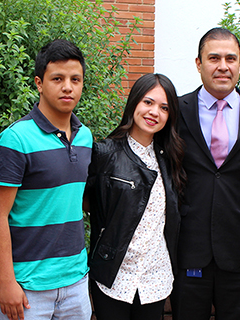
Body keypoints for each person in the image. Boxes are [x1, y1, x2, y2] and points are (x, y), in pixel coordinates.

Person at [172, 27, 240, 320]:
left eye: (230, 58)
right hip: (189, 247)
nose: (223, 66)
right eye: (214, 58)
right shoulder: (176, 110)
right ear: (199, 63)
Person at [0, 39, 92, 320]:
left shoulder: (85, 137)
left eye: (75, 79)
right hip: (25, 287)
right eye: (57, 78)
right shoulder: (15, 139)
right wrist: (7, 282)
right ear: (39, 83)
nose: (67, 86)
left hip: (75, 282)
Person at [86, 73, 186, 320]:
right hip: (112, 277)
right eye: (148, 102)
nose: (155, 112)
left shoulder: (170, 159)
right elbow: (80, 202)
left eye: (164, 107)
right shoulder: (104, 153)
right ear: (134, 104)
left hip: (155, 278)